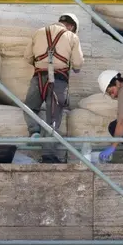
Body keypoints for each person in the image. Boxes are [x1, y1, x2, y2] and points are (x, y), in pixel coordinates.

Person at [22, 13, 84, 163]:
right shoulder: (71, 37)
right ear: (71, 26)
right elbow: (78, 63)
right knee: (53, 118)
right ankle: (48, 155)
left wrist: (43, 63)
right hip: (59, 81)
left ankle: (34, 131)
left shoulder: (39, 32)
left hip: (38, 78)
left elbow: (27, 57)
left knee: (29, 107)